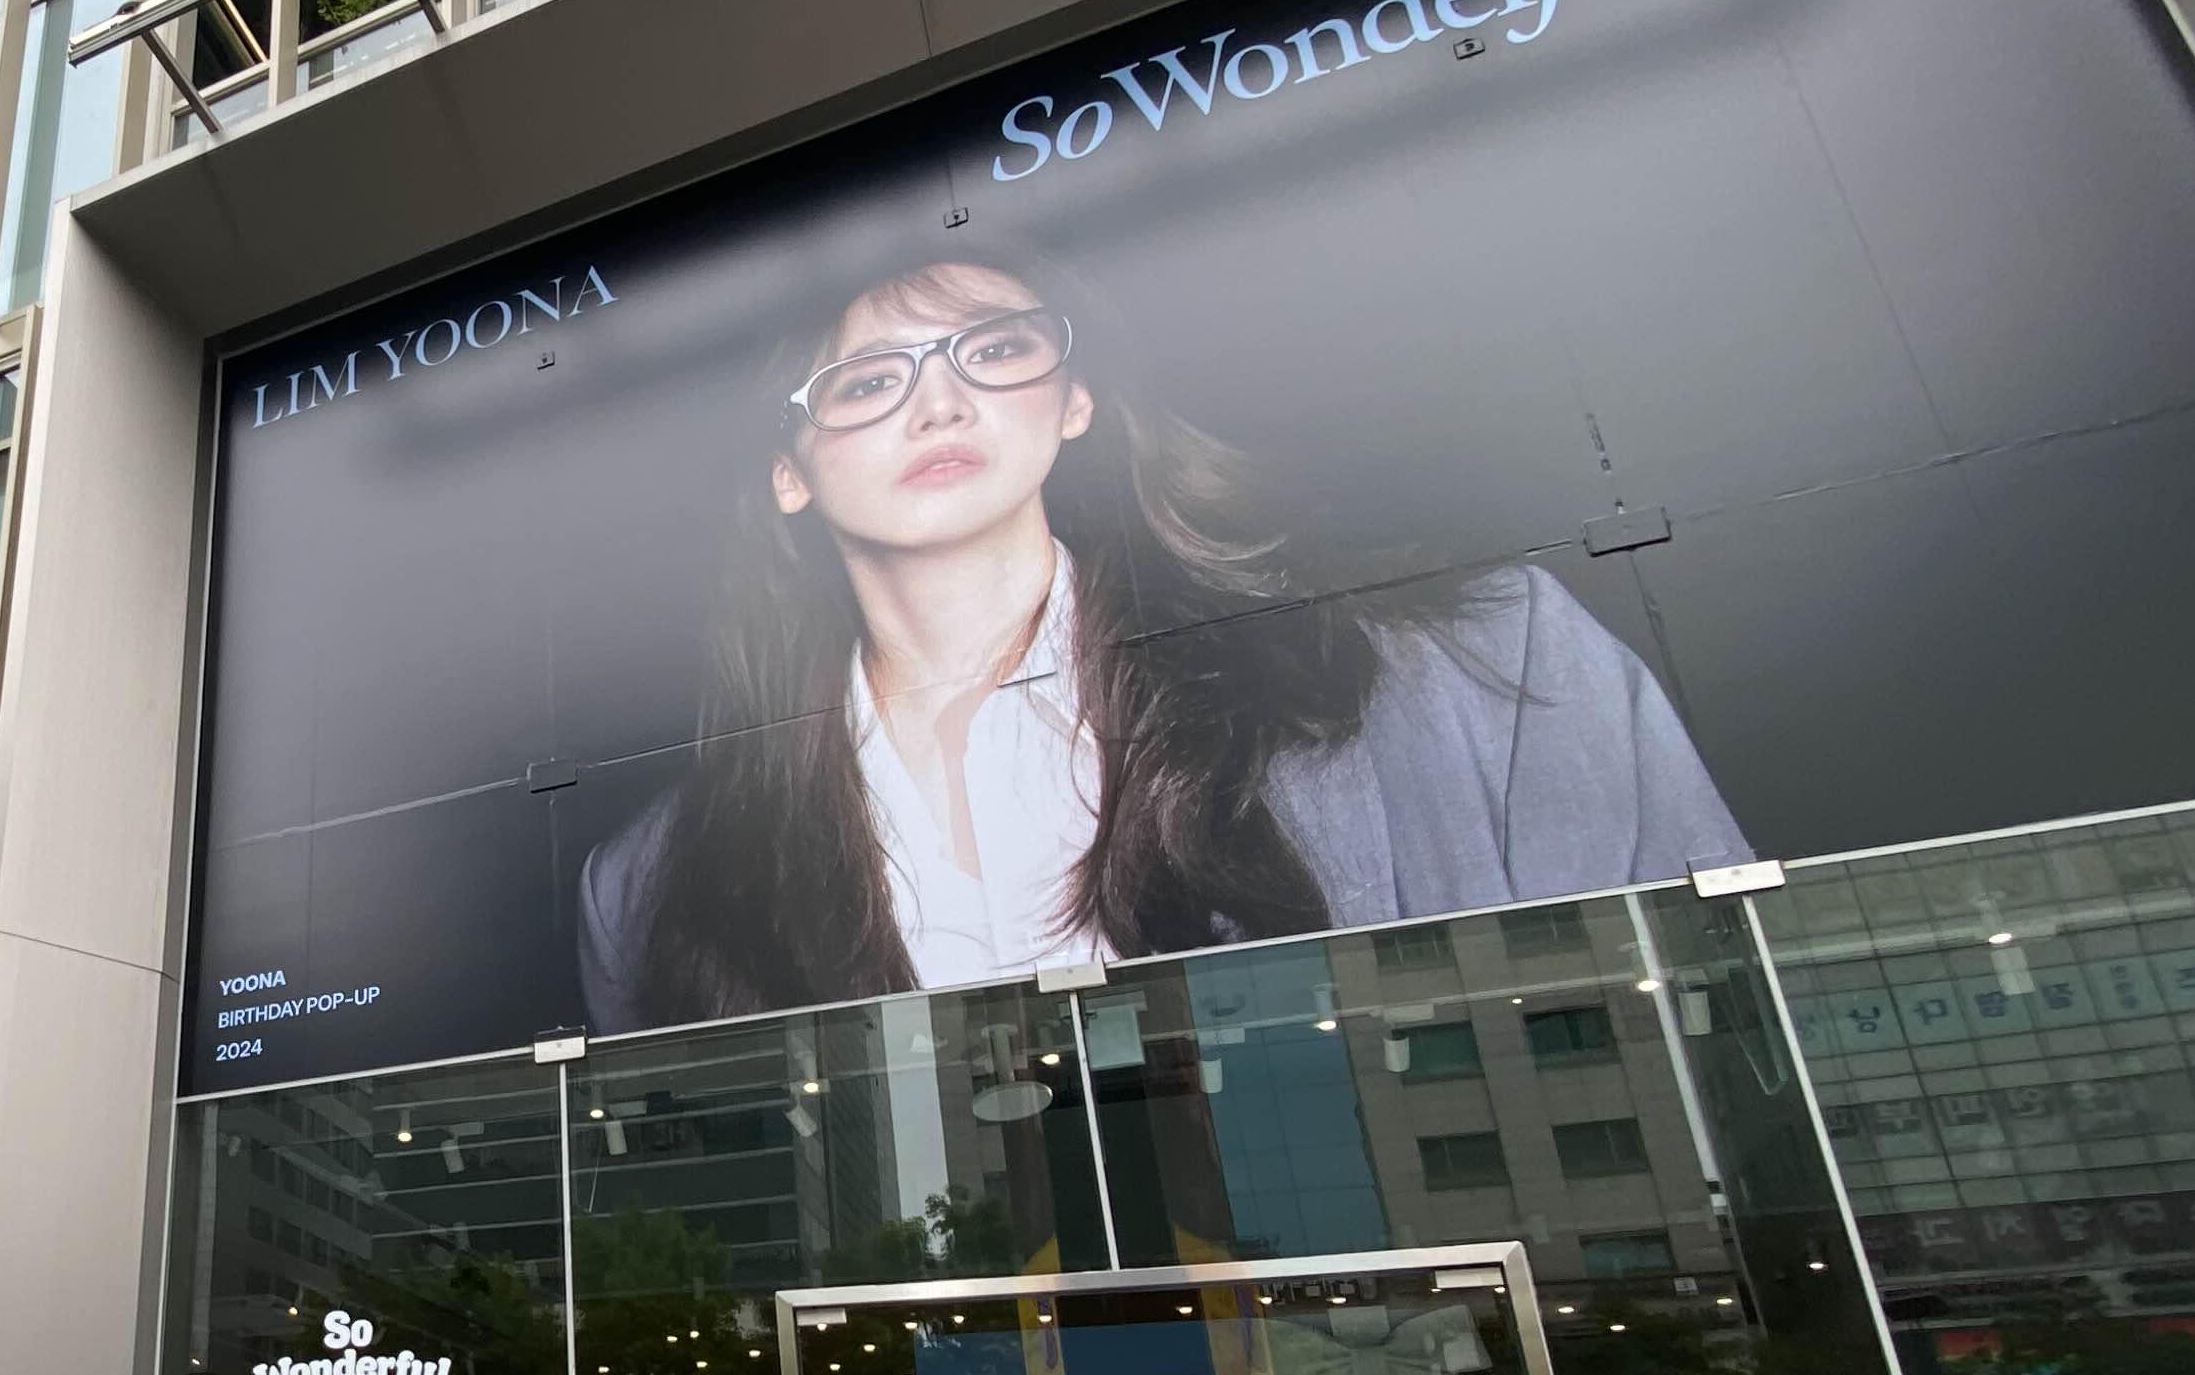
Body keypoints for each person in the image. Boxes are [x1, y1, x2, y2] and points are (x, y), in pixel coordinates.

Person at [578, 243, 1749, 1029]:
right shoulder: (650, 884)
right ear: (787, 473)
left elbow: (1717, 1024)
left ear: (1074, 402)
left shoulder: (1476, 666)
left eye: (995, 350)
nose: (939, 402)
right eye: (867, 380)